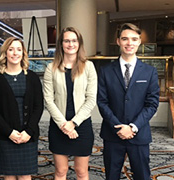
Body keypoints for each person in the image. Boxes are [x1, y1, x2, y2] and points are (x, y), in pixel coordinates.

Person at [97, 23, 160, 180]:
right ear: (118, 41)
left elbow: (152, 104)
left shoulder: (149, 71)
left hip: (139, 134)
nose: (129, 43)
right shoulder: (105, 71)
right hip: (113, 134)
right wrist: (118, 127)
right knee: (111, 176)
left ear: (139, 42)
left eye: (133, 39)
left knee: (142, 176)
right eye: (125, 39)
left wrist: (133, 127)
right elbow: (102, 102)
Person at [43, 27, 97, 180]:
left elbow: (91, 99)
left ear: (79, 44)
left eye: (74, 40)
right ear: (61, 44)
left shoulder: (89, 67)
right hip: (59, 125)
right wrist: (63, 125)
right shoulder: (51, 68)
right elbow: (48, 100)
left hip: (82, 125)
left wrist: (73, 123)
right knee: (61, 171)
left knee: (81, 172)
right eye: (67, 41)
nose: (70, 44)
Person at [0, 37, 44, 180]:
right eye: (11, 49)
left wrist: (29, 131)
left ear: (23, 53)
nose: (15, 53)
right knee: (9, 176)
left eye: (19, 49)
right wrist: (9, 132)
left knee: (25, 176)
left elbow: (38, 107)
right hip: (6, 136)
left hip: (28, 136)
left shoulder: (32, 77)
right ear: (5, 53)